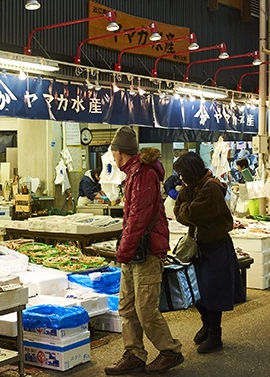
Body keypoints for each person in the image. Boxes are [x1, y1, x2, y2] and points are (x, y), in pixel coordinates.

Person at [105, 127, 183, 376]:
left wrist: (122, 251)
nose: (112, 157)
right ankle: (134, 353)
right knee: (127, 307)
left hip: (147, 252)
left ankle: (170, 351)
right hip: (134, 251)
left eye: (112, 152)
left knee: (145, 308)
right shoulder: (132, 173)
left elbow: (139, 217)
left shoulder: (144, 174)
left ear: (119, 153)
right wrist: (125, 249)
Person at [173, 152, 245, 354]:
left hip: (215, 248)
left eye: (182, 174)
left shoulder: (211, 188)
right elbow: (180, 210)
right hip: (199, 248)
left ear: (191, 172)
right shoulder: (194, 186)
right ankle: (206, 325)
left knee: (213, 292)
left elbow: (191, 214)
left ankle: (215, 335)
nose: (180, 179)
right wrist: (186, 209)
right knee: (197, 291)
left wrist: (186, 210)